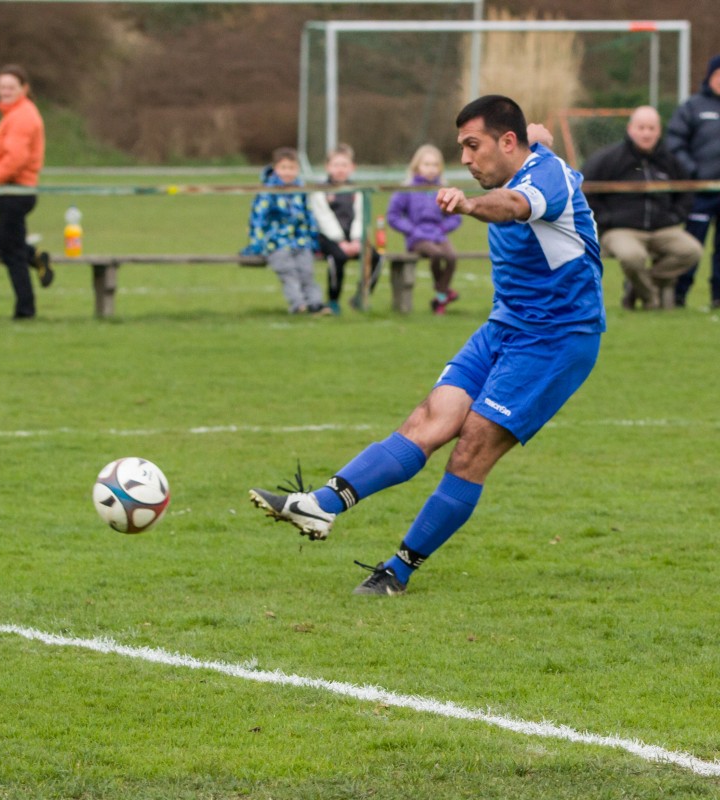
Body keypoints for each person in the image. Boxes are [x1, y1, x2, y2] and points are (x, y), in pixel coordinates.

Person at [251, 96, 605, 596]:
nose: (464, 158)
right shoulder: (527, 152)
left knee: (472, 447)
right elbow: (536, 140)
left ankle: (397, 570)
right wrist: (537, 136)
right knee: (430, 418)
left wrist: (470, 204)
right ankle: (319, 505)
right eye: (461, 146)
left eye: (473, 145)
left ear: (507, 142)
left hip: (556, 340)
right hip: (504, 326)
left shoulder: (546, 179)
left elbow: (513, 205)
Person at [582, 106, 701, 310]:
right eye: (641, 127)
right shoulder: (608, 159)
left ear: (659, 131)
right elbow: (585, 190)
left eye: (651, 128)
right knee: (632, 256)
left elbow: (686, 193)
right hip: (620, 230)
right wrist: (606, 219)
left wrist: (674, 217)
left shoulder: (670, 161)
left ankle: (637, 288)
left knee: (692, 251)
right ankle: (651, 298)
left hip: (662, 229)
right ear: (630, 129)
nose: (646, 133)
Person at [0, 64, 53, 319]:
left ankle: (25, 309)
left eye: (11, 87)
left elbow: (16, 159)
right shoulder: (15, 114)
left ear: (24, 88)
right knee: (3, 244)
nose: (5, 91)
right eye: (1, 87)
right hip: (11, 191)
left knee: (10, 251)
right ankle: (36, 257)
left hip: (16, 191)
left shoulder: (22, 116)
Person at [240, 147, 327, 315]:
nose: (288, 172)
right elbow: (257, 219)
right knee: (288, 272)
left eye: (292, 168)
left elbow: (308, 215)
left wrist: (313, 239)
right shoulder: (267, 191)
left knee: (307, 272)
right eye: (283, 168)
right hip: (275, 242)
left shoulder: (301, 190)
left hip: (301, 241)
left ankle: (315, 303)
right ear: (275, 168)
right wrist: (256, 244)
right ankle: (297, 304)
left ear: (298, 169)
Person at [667, 54, 720, 308]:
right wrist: (693, 171)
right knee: (692, 245)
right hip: (700, 192)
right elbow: (675, 143)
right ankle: (678, 295)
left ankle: (718, 297)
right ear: (710, 77)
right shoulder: (692, 107)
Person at [386, 144, 462, 314]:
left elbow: (456, 216)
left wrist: (443, 228)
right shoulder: (407, 189)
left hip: (438, 234)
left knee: (451, 256)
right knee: (436, 254)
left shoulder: (443, 189)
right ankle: (443, 295)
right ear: (417, 166)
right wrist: (412, 230)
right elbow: (393, 216)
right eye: (427, 164)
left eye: (435, 165)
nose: (431, 169)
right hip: (417, 238)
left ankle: (441, 294)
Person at [310, 144, 381, 314]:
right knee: (338, 257)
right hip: (327, 237)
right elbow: (324, 217)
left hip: (353, 238)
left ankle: (361, 295)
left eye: (344, 165)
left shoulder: (357, 191)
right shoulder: (320, 190)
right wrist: (340, 241)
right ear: (328, 167)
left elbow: (360, 216)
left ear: (352, 167)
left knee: (377, 258)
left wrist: (356, 239)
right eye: (336, 165)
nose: (340, 169)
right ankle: (333, 301)